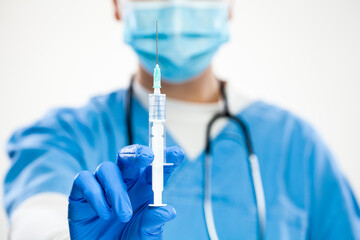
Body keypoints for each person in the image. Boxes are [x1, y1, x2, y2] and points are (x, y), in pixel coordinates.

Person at [3, 0, 360, 239]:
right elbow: (38, 221)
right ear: (116, 4)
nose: (175, 8)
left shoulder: (295, 146)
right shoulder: (63, 137)